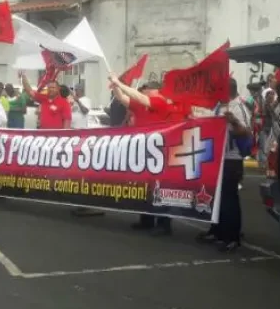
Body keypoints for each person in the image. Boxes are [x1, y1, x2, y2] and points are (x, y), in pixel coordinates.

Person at [108, 76, 190, 236]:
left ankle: (164, 223)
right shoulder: (142, 105)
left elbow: (139, 97)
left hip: (160, 152)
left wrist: (120, 83)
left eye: (146, 88)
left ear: (154, 90)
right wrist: (115, 87)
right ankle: (146, 220)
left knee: (160, 188)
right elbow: (123, 98)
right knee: (146, 188)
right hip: (145, 150)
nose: (143, 90)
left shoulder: (160, 102)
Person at [197, 78, 251, 252]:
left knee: (230, 199)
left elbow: (245, 131)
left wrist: (233, 121)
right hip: (217, 157)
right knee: (217, 197)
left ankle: (232, 236)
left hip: (232, 159)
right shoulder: (219, 106)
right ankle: (217, 231)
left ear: (229, 89)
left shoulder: (238, 107)